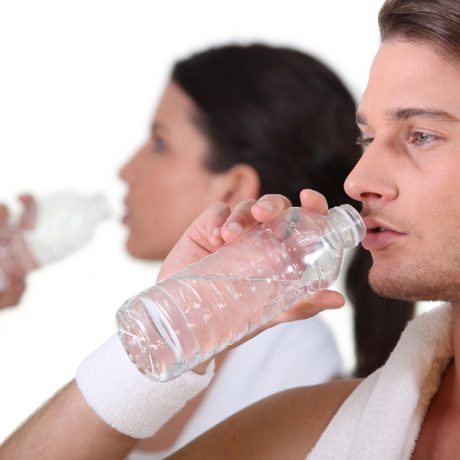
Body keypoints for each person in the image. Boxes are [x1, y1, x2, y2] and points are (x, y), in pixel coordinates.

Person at [3, 12, 442, 456]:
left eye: (422, 135)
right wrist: (154, 341)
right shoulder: (316, 422)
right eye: (367, 139)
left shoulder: (294, 373)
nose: (357, 181)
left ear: (234, 187)